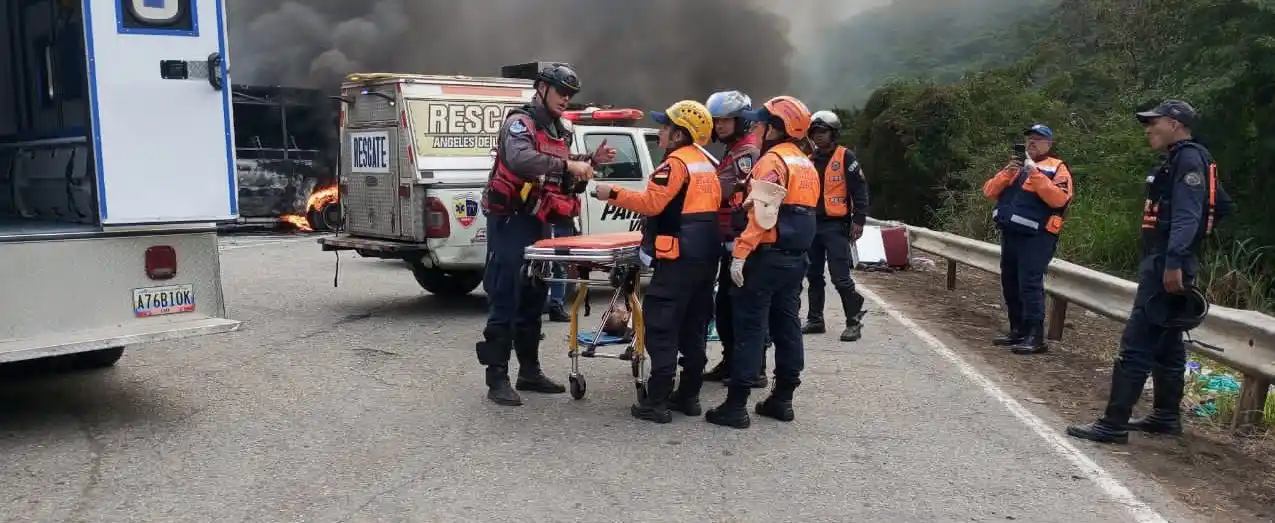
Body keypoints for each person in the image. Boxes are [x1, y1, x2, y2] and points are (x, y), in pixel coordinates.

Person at [1067, 100, 1234, 444]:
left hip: (1166, 265)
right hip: (1169, 261)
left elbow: (1189, 214)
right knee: (1168, 342)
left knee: (1137, 342)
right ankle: (1165, 417)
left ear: (1175, 124)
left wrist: (1175, 259)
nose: (1148, 129)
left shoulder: (1188, 158)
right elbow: (1222, 205)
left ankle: (1113, 424)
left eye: (1153, 123)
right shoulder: (1182, 159)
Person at [476, 63, 616, 406]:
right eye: (560, 92)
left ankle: (529, 372)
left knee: (533, 295)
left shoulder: (561, 132)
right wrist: (570, 165)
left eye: (570, 95)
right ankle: (497, 379)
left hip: (539, 222)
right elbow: (522, 159)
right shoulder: (519, 123)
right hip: (510, 221)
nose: (566, 99)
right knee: (506, 294)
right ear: (541, 88)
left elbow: (562, 177)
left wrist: (588, 163)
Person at [593, 100, 722, 423]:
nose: (661, 132)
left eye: (665, 127)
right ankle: (688, 396)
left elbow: (652, 204)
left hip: (677, 258)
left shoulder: (674, 165)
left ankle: (656, 401)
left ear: (679, 134)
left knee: (661, 327)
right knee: (694, 327)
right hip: (706, 258)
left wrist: (611, 192)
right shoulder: (706, 164)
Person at [706, 95, 820, 429]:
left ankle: (736, 406)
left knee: (750, 329)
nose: (756, 126)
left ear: (776, 128)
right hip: (795, 258)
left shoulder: (773, 162)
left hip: (764, 257)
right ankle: (782, 399)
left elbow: (762, 216)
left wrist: (740, 254)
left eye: (762, 122)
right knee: (787, 328)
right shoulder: (806, 163)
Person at [699, 90, 771, 389]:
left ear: (741, 121)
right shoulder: (733, 151)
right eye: (716, 121)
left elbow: (724, 191)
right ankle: (731, 361)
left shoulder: (747, 154)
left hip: (743, 241)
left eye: (727, 120)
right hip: (730, 239)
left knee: (745, 308)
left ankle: (756, 369)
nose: (720, 126)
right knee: (726, 307)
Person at [981, 124, 1073, 354]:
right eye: (1030, 138)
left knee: (1030, 285)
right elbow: (989, 192)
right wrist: (1008, 172)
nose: (1032, 142)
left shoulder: (1057, 168)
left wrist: (1034, 172)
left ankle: (1035, 336)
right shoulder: (1015, 168)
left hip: (1037, 237)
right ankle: (1018, 330)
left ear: (1048, 144)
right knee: (1010, 282)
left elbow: (1058, 199)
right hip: (1011, 233)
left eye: (1038, 139)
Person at [800, 110, 870, 342]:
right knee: (813, 274)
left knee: (840, 277)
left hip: (836, 226)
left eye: (823, 132)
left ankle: (853, 321)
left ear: (833, 133)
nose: (819, 137)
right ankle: (815, 319)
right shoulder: (808, 160)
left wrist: (858, 221)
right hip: (812, 224)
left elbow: (859, 191)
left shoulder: (846, 157)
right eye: (815, 133)